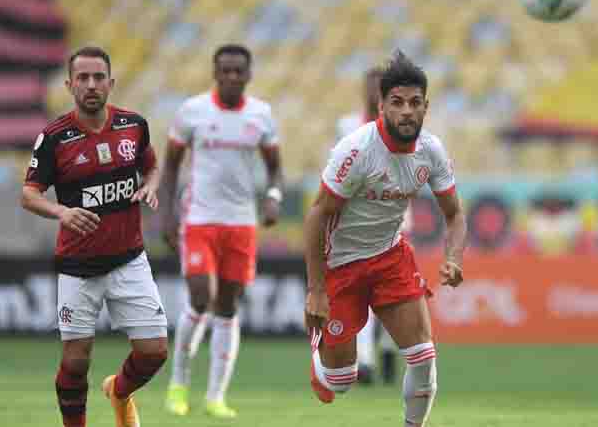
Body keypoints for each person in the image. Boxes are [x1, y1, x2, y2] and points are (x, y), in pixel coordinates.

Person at [303, 53, 467, 427]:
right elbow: (317, 215)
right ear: (381, 106)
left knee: (423, 358)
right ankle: (321, 357)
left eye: (414, 102)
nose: (406, 111)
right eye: (397, 102)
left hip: (390, 256)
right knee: (341, 381)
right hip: (341, 263)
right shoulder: (356, 149)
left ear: (426, 106)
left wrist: (454, 257)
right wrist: (316, 289)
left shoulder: (431, 151)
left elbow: (455, 215)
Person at [22, 46, 167, 427]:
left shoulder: (133, 125)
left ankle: (118, 390)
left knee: (154, 352)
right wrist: (62, 212)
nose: (91, 85)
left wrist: (150, 186)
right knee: (75, 362)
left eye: (98, 77)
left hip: (129, 259)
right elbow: (29, 194)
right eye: (82, 78)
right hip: (78, 267)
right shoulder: (54, 137)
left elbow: (152, 166)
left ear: (110, 83)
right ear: (69, 85)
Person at [162, 44, 283, 419]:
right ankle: (178, 384)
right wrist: (165, 216)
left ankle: (216, 397)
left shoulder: (261, 115)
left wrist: (273, 197)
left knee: (228, 307)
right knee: (201, 297)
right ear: (215, 73)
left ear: (248, 75)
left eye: (238, 71)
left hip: (242, 223)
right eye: (225, 70)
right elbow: (170, 167)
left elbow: (275, 168)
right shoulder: (192, 111)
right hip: (199, 219)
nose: (231, 76)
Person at [336, 66, 402, 385]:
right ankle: (364, 361)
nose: (375, 92)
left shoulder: (401, 127)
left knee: (391, 294)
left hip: (392, 218)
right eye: (371, 86)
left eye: (381, 87)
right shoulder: (347, 126)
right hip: (356, 220)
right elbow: (336, 168)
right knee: (361, 292)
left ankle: (387, 346)